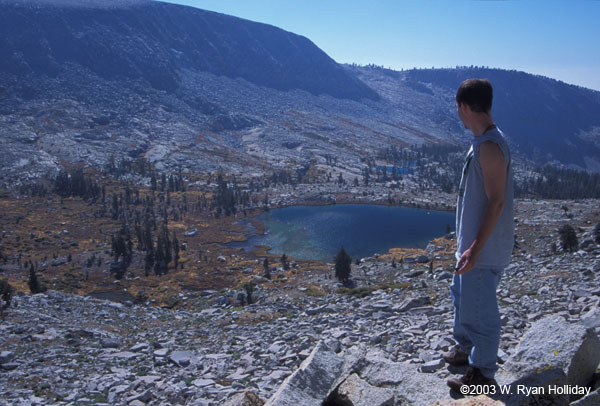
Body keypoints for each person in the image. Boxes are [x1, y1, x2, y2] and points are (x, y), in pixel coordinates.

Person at [443, 78, 514, 393]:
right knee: (462, 297)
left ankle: (482, 374)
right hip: (472, 247)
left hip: (481, 251)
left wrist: (474, 249)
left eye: (458, 108)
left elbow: (496, 203)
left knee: (480, 312)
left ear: (464, 107)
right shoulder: (484, 141)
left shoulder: (488, 147)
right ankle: (464, 350)